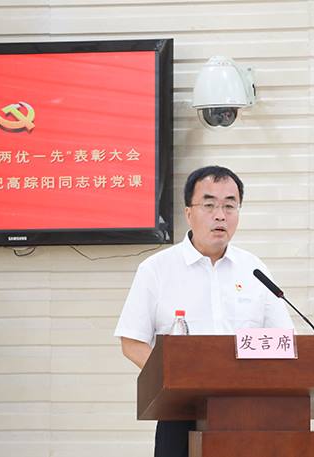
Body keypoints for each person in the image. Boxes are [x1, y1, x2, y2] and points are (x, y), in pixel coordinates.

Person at [114, 165, 294, 457]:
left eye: (229, 205)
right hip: (180, 412)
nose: (220, 215)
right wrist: (175, 380)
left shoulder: (254, 270)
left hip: (248, 410)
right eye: (209, 205)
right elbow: (132, 342)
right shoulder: (156, 270)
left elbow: (284, 339)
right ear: (189, 213)